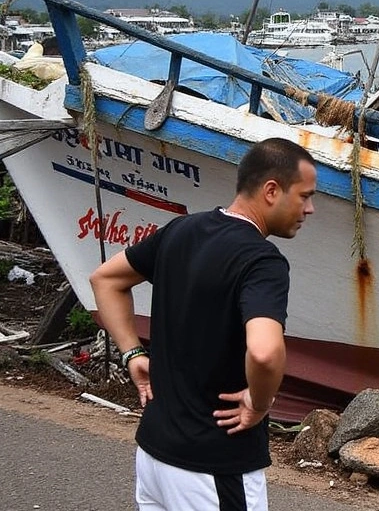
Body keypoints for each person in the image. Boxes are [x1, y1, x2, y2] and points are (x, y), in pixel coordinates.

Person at [91, 137, 318, 510]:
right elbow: (264, 353)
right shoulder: (262, 261)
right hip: (213, 467)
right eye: (305, 196)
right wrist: (259, 403)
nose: (310, 209)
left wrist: (133, 353)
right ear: (272, 191)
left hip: (155, 455)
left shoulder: (181, 230)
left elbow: (105, 279)